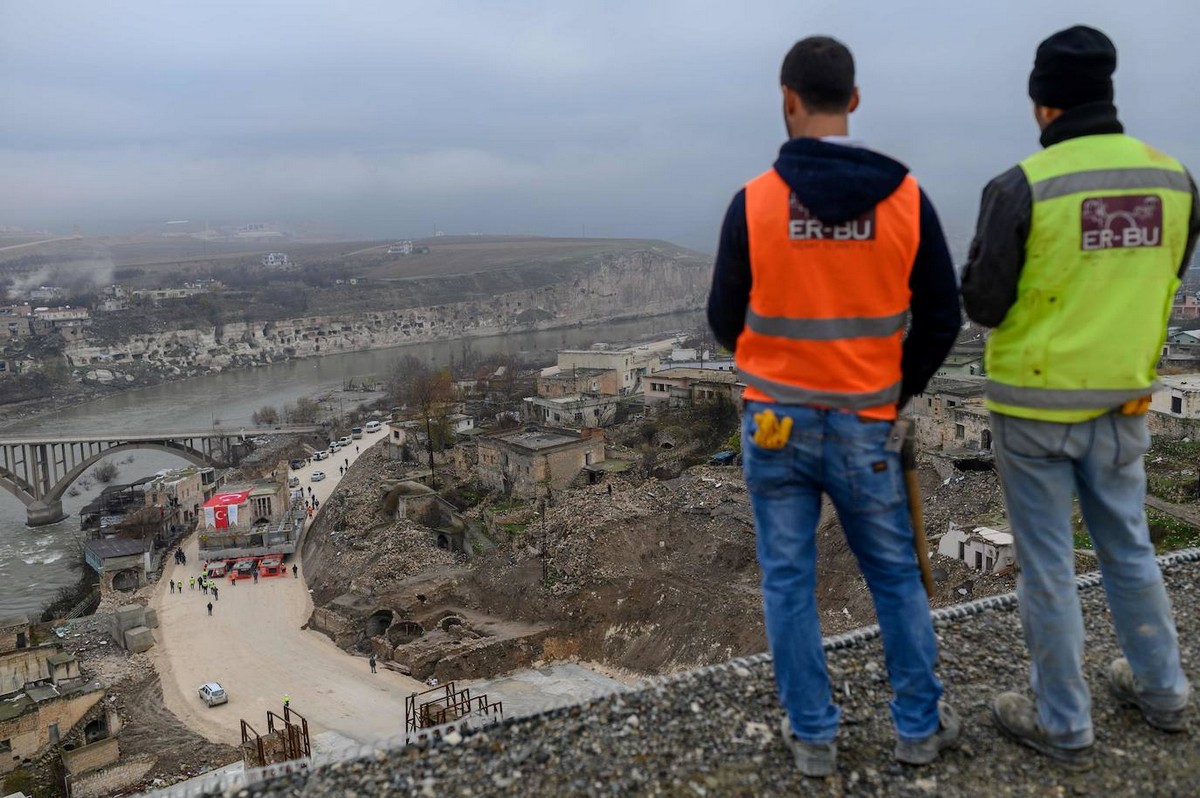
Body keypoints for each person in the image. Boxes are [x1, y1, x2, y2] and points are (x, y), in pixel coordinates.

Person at [706, 36, 961, 777]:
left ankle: (814, 738)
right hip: (865, 424)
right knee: (894, 579)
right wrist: (892, 387)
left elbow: (726, 320)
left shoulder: (753, 203)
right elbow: (942, 318)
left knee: (788, 581)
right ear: (853, 100)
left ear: (788, 100)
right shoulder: (906, 198)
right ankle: (917, 728)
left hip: (775, 421)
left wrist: (778, 362)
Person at [961, 25, 1199, 770]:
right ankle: (1161, 691)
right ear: (1109, 92)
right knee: (1128, 546)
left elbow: (987, 304)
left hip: (1035, 414)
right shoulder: (1175, 181)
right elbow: (1166, 276)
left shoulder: (1019, 187)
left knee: (1049, 566)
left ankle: (1063, 721)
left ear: (1042, 105)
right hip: (1124, 404)